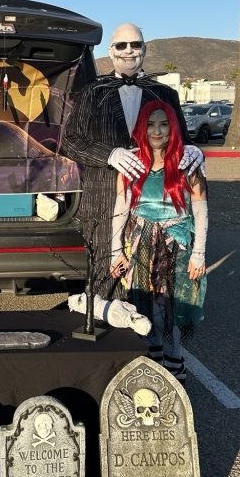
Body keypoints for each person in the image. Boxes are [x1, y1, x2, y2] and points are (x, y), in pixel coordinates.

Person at [62, 22, 204, 300]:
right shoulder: (93, 92)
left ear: (144, 49)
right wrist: (109, 154)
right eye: (121, 45)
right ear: (111, 51)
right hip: (104, 196)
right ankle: (105, 329)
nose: (129, 51)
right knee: (107, 267)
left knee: (152, 272)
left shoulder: (164, 94)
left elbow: (181, 140)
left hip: (153, 203)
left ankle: (147, 331)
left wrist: (194, 151)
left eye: (135, 44)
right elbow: (69, 141)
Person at [109, 100, 207, 381]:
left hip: (178, 247)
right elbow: (120, 209)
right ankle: (151, 371)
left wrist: (198, 253)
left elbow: (200, 210)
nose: (157, 130)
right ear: (142, 128)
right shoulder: (130, 165)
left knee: (172, 308)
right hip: (140, 245)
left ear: (172, 128)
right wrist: (116, 251)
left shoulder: (188, 162)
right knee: (146, 307)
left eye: (164, 124)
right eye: (151, 124)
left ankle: (175, 370)